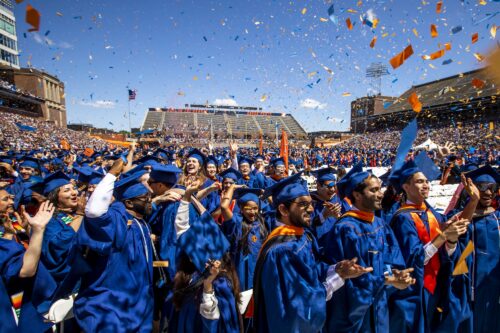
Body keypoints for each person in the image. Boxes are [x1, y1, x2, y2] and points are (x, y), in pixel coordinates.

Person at [253, 173, 373, 333]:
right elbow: (300, 302)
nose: (311, 209)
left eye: (310, 203)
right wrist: (337, 279)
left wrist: (336, 269)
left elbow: (313, 270)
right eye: (303, 204)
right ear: (283, 209)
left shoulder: (302, 236)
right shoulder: (281, 251)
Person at [389, 159, 479, 332]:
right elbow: (413, 259)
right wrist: (443, 236)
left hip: (437, 284)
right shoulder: (402, 219)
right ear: (406, 187)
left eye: (427, 181)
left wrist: (473, 201)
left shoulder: (432, 214)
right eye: (419, 181)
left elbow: (456, 233)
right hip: (415, 289)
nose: (426, 185)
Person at [321, 168, 414, 332]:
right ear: (357, 195)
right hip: (353, 314)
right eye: (374, 190)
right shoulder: (345, 229)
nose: (380, 194)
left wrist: (392, 276)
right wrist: (382, 281)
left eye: (380, 189)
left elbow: (388, 260)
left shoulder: (380, 224)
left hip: (379, 307)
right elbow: (342, 277)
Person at [75, 158, 154, 332]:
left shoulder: (140, 222)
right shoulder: (118, 218)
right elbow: (94, 211)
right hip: (112, 304)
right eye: (145, 198)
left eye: (150, 197)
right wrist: (112, 174)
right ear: (129, 203)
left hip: (138, 302)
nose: (150, 200)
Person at [0, 195, 57, 333]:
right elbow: (25, 268)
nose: (12, 202)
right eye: (5, 199)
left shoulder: (13, 222)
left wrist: (24, 232)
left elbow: (24, 247)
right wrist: (38, 230)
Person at [458, 165, 500, 333]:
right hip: (470, 286)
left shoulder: (497, 218)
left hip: (494, 288)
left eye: (493, 188)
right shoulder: (459, 216)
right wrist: (473, 201)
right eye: (482, 187)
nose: (488, 192)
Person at [40, 170, 85, 286]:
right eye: (67, 190)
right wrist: (80, 215)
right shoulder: (49, 219)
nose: (74, 192)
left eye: (74, 188)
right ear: (55, 197)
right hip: (66, 280)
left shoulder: (76, 212)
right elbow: (57, 246)